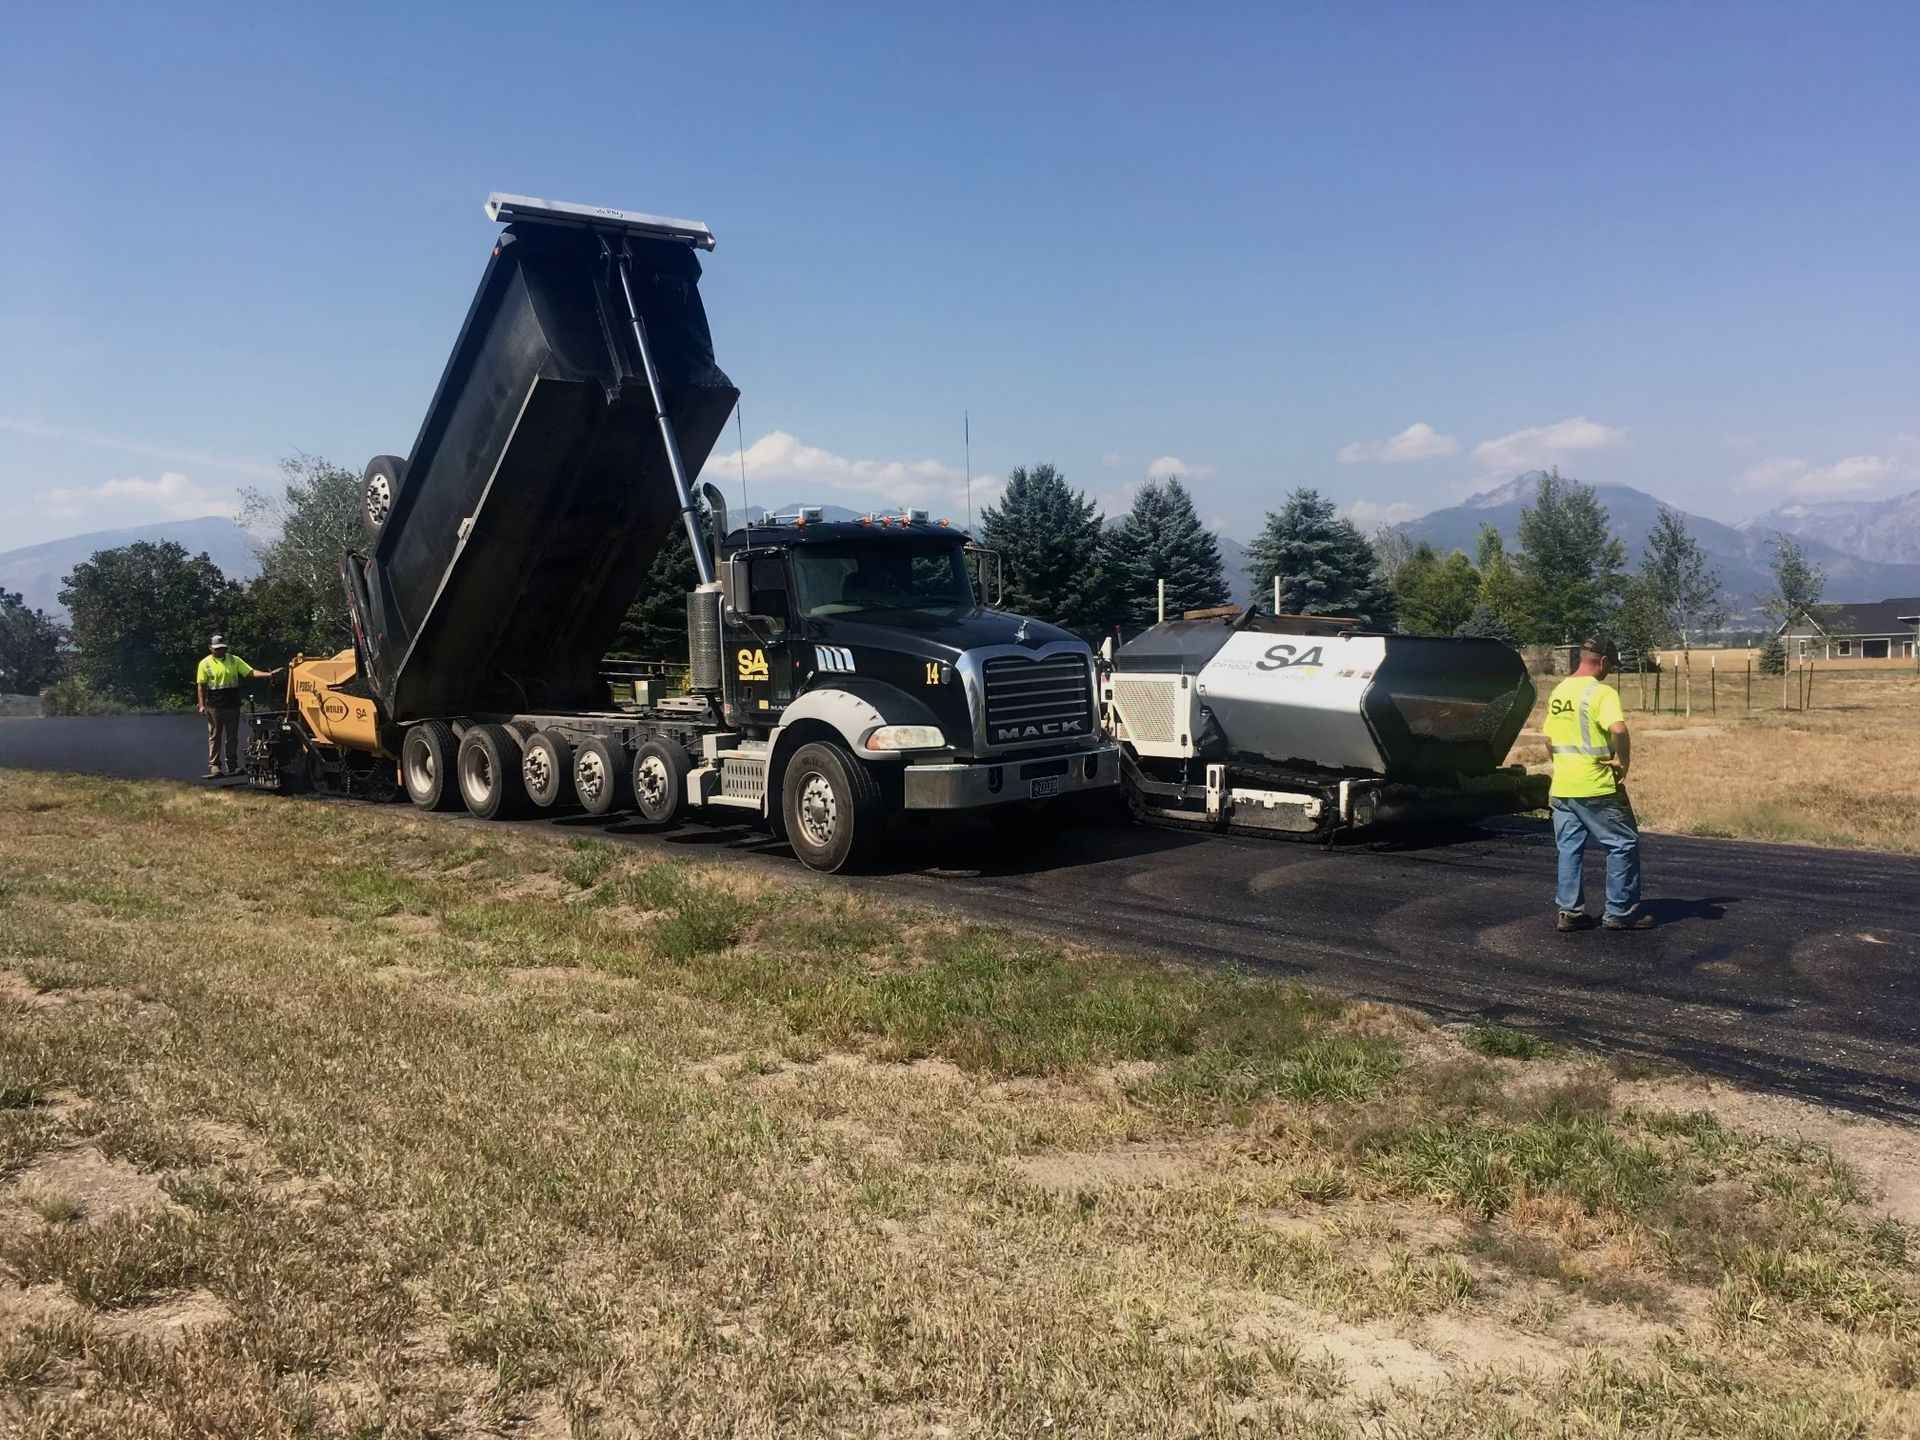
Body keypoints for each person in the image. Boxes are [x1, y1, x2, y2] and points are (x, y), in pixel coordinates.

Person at [1543, 635, 1652, 931]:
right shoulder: (1600, 692)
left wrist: (1564, 767)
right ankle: (1620, 913)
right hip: (1597, 786)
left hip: (1563, 787)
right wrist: (1623, 762)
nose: (1609, 669)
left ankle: (1569, 913)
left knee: (1569, 849)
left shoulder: (1559, 691)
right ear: (1603, 661)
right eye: (1611, 664)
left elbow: (1549, 740)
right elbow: (1618, 728)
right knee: (1622, 844)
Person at [195, 635, 278, 777]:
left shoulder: (234, 660)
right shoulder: (205, 663)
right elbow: (201, 686)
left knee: (232, 737)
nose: (220, 651)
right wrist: (201, 705)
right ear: (210, 648)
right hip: (215, 705)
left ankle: (232, 765)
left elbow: (250, 672)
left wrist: (269, 675)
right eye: (217, 649)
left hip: (232, 704)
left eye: (222, 648)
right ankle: (214, 766)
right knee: (215, 736)